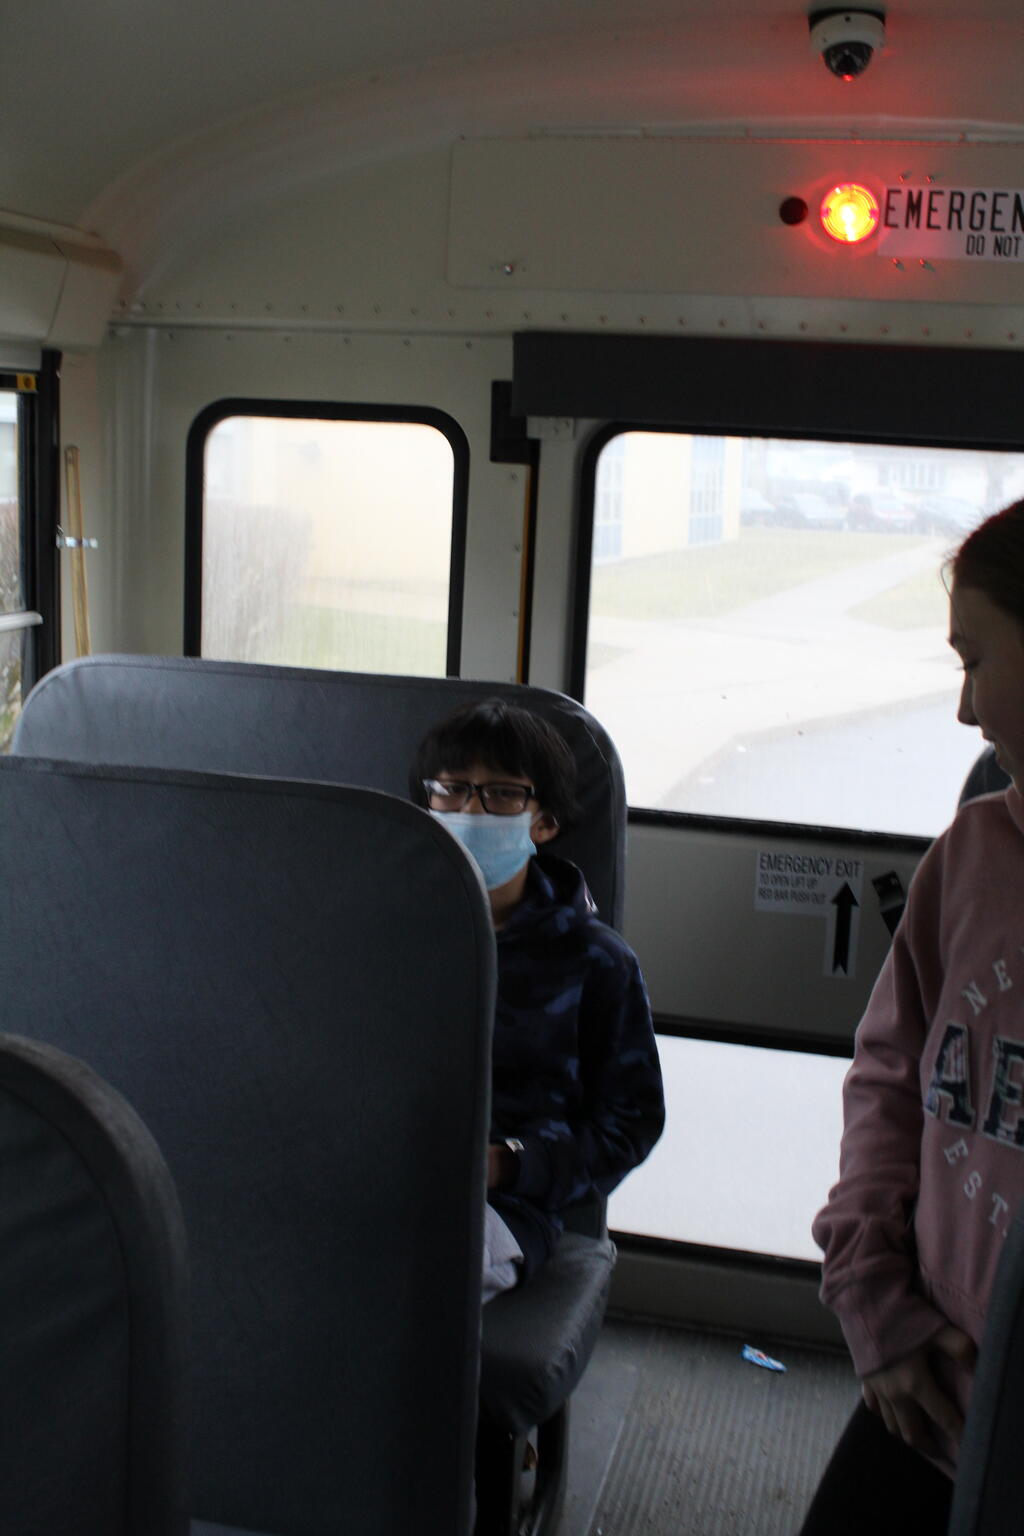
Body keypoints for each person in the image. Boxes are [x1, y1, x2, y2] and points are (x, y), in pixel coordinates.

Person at [801, 496, 1024, 1534]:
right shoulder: (973, 855)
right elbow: (891, 1079)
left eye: (975, 661)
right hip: (927, 1367)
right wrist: (871, 1297)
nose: (966, 711)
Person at [410, 697, 665, 1300]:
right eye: (451, 790)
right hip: (375, 1179)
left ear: (544, 822)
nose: (469, 810)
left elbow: (630, 1124)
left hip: (506, 1207)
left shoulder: (595, 962)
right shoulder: (386, 932)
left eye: (500, 794)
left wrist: (509, 1163)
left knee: (421, 1278)